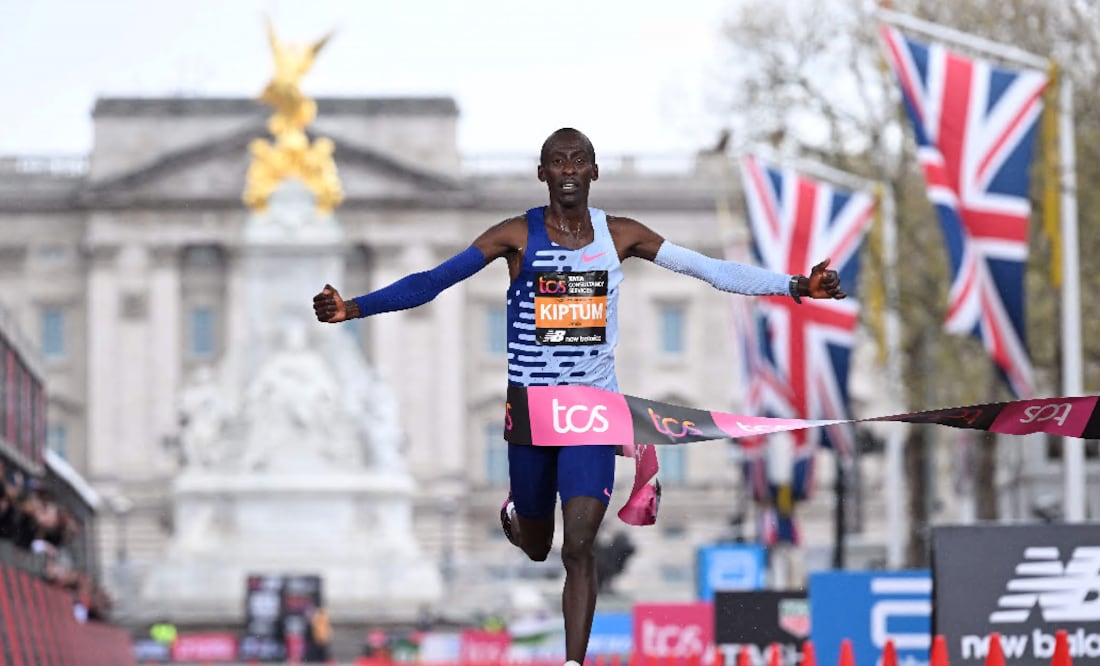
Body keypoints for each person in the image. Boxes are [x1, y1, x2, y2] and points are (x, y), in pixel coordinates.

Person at [312, 128, 846, 666]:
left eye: (578, 160)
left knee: (580, 543)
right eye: (557, 161)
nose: (568, 169)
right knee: (537, 545)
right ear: (542, 173)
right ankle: (518, 515)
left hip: (592, 411)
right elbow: (433, 280)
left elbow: (709, 269)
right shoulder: (515, 235)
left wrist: (796, 285)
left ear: (594, 171)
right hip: (532, 412)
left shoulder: (622, 235)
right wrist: (354, 308)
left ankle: (573, 662)